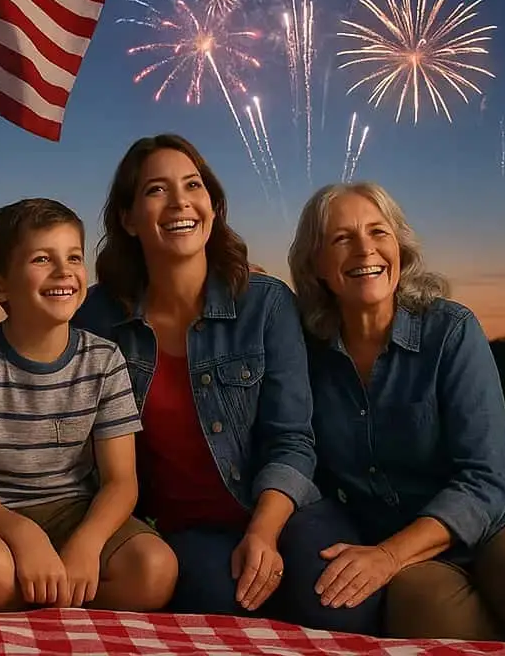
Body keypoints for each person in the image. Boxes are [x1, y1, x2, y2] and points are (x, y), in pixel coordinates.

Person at [287, 181, 505, 642]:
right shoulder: (309, 356)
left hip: (498, 514)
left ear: (399, 248)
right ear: (316, 265)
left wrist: (387, 556)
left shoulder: (451, 330)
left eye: (378, 232)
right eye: (342, 238)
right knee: (426, 614)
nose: (366, 249)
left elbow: (486, 477)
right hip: (411, 542)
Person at [74, 133, 380, 633]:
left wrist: (262, 531)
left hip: (286, 509)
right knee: (224, 615)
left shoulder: (264, 303)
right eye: (156, 190)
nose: (180, 202)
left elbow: (293, 440)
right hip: (190, 527)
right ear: (128, 219)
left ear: (212, 206)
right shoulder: (98, 317)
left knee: (337, 605)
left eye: (193, 186)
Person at [0, 198, 178, 613]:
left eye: (74, 257)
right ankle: (61, 603)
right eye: (42, 259)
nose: (64, 271)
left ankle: (42, 602)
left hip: (78, 513)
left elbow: (121, 481)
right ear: (0, 286)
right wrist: (22, 533)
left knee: (155, 572)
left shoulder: (104, 360)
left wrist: (87, 543)